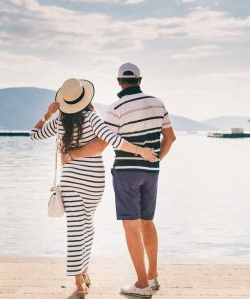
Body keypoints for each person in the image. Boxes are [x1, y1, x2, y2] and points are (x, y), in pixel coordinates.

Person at [30, 78, 158, 298]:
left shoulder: (59, 121)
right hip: (93, 182)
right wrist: (140, 151)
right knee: (87, 227)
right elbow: (113, 139)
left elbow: (34, 134)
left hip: (70, 180)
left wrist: (47, 114)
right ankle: (82, 274)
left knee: (75, 229)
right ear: (85, 98)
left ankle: (80, 279)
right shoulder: (92, 118)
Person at [66, 63, 176, 298]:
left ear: (119, 82)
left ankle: (142, 284)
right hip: (151, 171)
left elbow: (101, 144)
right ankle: (153, 275)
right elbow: (170, 137)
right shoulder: (158, 103)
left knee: (131, 225)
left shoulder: (116, 107)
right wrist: (156, 160)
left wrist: (73, 153)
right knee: (147, 221)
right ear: (140, 79)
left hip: (127, 173)